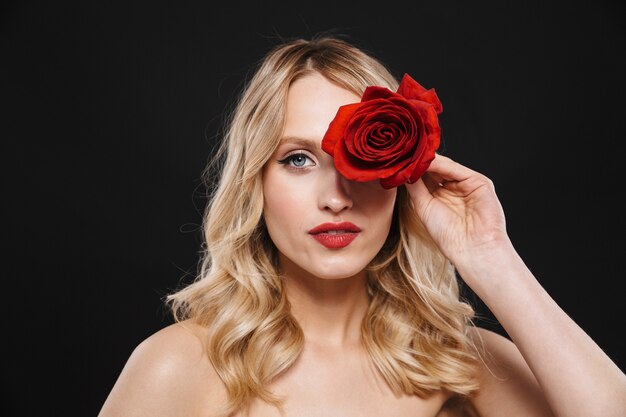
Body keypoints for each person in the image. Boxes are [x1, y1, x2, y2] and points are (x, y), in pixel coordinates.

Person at [98, 34, 626, 417]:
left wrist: (489, 254)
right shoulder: (180, 365)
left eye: (362, 159)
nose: (336, 198)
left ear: (400, 176)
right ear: (254, 181)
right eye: (298, 159)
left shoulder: (460, 364)